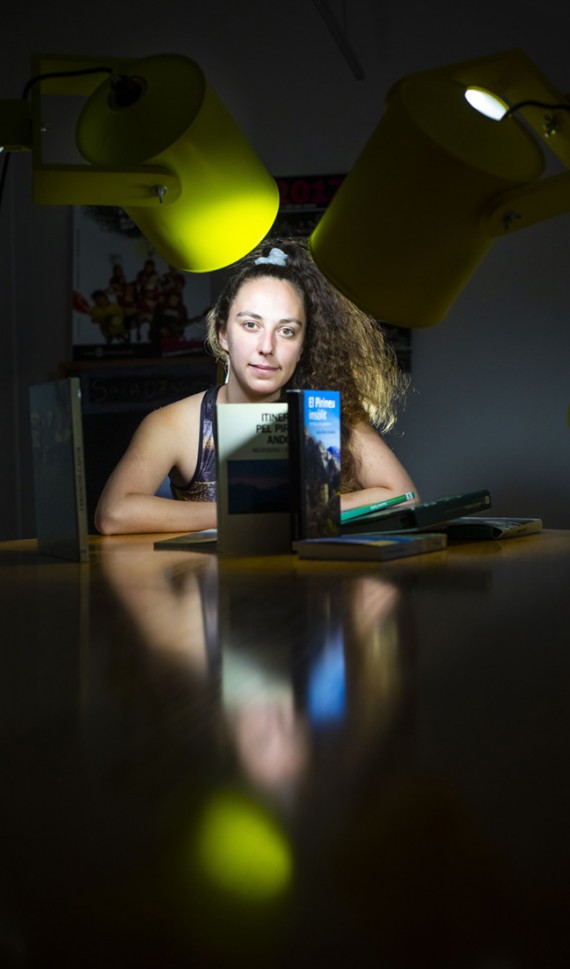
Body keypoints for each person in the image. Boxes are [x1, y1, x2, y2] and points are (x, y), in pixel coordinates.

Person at [94, 238, 417, 535]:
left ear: (303, 346)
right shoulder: (174, 424)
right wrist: (251, 512)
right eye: (251, 325)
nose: (267, 346)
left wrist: (305, 509)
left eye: (287, 331)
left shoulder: (327, 413)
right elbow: (113, 513)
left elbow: (405, 497)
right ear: (223, 334)